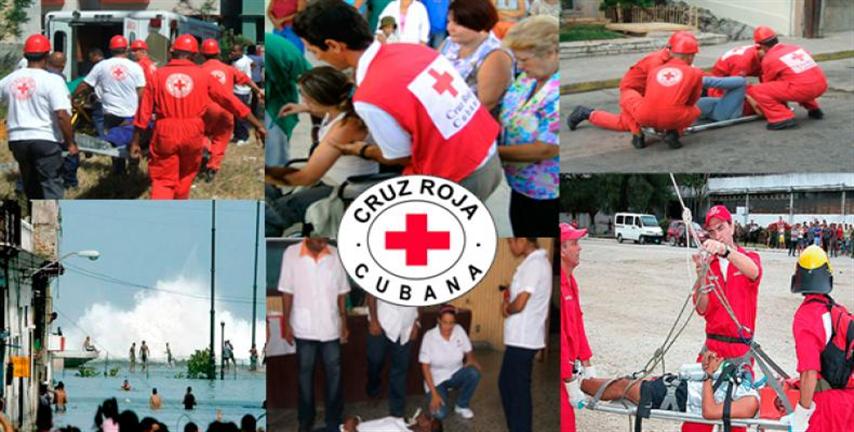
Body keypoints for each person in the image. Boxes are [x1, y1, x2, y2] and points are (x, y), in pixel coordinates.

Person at [294, 0, 503, 202]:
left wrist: (361, 150)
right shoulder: (415, 50)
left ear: (333, 45)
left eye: (314, 51)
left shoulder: (370, 96)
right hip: (488, 156)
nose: (318, 59)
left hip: (457, 177)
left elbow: (400, 157)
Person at [130, 34, 266, 199]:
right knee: (185, 177)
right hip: (193, 131)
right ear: (195, 54)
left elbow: (143, 113)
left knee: (163, 181)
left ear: (172, 52)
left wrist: (136, 141)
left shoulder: (157, 76)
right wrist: (257, 124)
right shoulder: (203, 75)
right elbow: (231, 102)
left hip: (165, 131)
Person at [265, 66, 379, 236]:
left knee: (272, 214)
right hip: (330, 179)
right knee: (268, 192)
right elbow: (326, 106)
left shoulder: (346, 127)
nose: (303, 100)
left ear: (323, 99)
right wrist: (304, 108)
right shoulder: (339, 110)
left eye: (307, 99)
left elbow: (306, 177)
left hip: (342, 188)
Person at [685, 205, 762, 432]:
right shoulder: (711, 265)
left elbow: (754, 272)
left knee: (735, 423)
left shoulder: (748, 258)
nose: (717, 235)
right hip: (712, 350)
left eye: (721, 228)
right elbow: (702, 308)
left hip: (740, 353)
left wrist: (726, 252)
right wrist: (701, 274)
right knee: (696, 421)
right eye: (711, 231)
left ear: (732, 226)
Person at [279, 237, 350, 432]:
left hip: (331, 326)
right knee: (304, 374)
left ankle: (334, 419)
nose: (322, 243)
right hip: (304, 327)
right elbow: (287, 292)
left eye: (324, 240)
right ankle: (305, 419)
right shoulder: (291, 253)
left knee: (334, 374)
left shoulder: (335, 254)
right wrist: (287, 324)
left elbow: (342, 292)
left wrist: (344, 322)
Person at [497, 16, 559, 236]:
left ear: (551, 53)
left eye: (524, 59)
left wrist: (492, 154)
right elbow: (510, 114)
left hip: (546, 195)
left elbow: (546, 148)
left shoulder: (558, 91)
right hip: (519, 185)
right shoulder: (527, 77)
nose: (520, 66)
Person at [578, 351, 760, 423]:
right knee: (625, 384)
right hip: (681, 387)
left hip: (680, 398)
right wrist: (708, 366)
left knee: (623, 387)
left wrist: (709, 375)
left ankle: (576, 383)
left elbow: (710, 412)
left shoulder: (752, 402)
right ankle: (580, 380)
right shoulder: (750, 386)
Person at [784, 245, 854, 430]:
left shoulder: (807, 316)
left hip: (832, 405)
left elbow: (809, 371)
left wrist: (801, 415)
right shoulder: (835, 310)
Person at [0, 34, 76, 200]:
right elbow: (62, 115)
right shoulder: (53, 80)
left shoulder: (10, 79)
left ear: (25, 54)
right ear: (47, 56)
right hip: (45, 139)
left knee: (31, 184)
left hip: (17, 140)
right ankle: (49, 224)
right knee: (50, 185)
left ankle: (34, 219)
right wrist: (70, 143)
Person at [499, 238, 552, 432]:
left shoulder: (535, 264)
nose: (510, 246)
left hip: (523, 339)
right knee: (508, 387)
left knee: (516, 391)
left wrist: (507, 308)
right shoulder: (533, 262)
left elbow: (520, 303)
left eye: (511, 242)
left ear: (522, 239)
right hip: (520, 339)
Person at [73, 35, 146, 174]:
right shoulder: (135, 67)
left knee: (114, 144)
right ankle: (133, 168)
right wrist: (142, 110)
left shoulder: (101, 66)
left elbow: (85, 85)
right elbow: (142, 91)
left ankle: (119, 172)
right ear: (127, 49)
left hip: (110, 114)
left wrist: (72, 97)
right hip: (131, 113)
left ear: (110, 50)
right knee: (132, 141)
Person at [619, 36, 704, 149]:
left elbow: (651, 92)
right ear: (690, 56)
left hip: (644, 115)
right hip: (673, 117)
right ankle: (674, 133)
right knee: (695, 111)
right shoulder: (695, 72)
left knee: (625, 96)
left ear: (671, 52)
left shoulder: (655, 70)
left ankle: (637, 134)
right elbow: (692, 100)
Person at [200, 38, 264, 181]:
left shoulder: (199, 70)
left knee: (203, 133)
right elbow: (246, 79)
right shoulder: (229, 69)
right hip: (226, 109)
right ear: (218, 53)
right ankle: (213, 166)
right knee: (221, 138)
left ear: (202, 53)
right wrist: (258, 90)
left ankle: (205, 149)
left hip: (205, 110)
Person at [439, 0, 514, 117]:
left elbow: (485, 105)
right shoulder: (450, 42)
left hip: (468, 121)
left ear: (477, 23)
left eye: (458, 24)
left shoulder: (496, 54)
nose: (450, 28)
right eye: (449, 21)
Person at [745, 26, 827, 130]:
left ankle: (782, 118)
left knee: (757, 90)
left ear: (761, 45)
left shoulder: (769, 58)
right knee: (799, 79)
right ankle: (814, 109)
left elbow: (769, 83)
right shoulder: (796, 48)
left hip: (804, 89)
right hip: (821, 85)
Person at [559, 223, 595, 431]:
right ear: (562, 250)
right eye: (574, 243)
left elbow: (577, 325)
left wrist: (588, 366)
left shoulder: (571, 282)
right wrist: (570, 381)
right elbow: (560, 338)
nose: (579, 248)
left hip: (568, 368)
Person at [418, 304, 481, 420]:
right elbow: (425, 367)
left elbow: (468, 349)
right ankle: (439, 394)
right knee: (440, 414)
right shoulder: (429, 336)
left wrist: (470, 358)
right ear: (439, 321)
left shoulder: (459, 330)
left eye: (451, 322)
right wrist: (435, 395)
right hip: (436, 380)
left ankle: (461, 405)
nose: (448, 326)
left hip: (455, 374)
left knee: (474, 373)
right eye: (445, 322)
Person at [366, 293, 420, 418]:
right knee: (375, 360)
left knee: (400, 369)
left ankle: (397, 411)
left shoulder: (418, 273)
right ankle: (373, 392)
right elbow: (371, 293)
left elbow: (421, 296)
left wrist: (417, 322)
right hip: (381, 322)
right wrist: (374, 320)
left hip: (405, 326)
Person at [263, 32, 312, 168]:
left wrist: (310, 108)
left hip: (276, 105)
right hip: (263, 102)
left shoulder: (279, 49)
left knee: (275, 153)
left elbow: (311, 78)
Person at [230, 43, 256, 146]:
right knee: (235, 115)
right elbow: (253, 64)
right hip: (237, 90)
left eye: (234, 51)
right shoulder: (245, 58)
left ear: (240, 52)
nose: (232, 53)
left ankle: (244, 137)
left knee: (241, 114)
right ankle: (237, 134)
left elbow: (234, 76)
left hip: (242, 91)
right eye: (232, 51)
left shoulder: (239, 64)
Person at [341, 411, 443, 431]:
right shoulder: (403, 422)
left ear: (426, 430)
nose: (425, 415)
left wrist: (351, 429)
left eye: (429, 419)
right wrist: (356, 420)